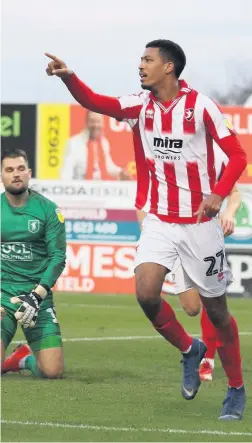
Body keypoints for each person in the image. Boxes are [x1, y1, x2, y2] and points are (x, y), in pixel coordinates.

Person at [45, 39, 247, 419]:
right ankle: (191, 350)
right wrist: (68, 77)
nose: (140, 65)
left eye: (147, 59)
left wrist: (219, 194)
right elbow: (94, 102)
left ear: (168, 67)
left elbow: (238, 155)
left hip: (200, 224)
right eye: (141, 59)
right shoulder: (139, 106)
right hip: (159, 219)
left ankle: (236, 389)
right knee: (146, 292)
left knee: (217, 313)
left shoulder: (201, 107)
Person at [137, 143, 242, 382]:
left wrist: (229, 213)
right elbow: (142, 202)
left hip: (203, 234)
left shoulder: (211, 154)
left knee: (210, 300)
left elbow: (234, 192)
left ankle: (208, 361)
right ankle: (194, 349)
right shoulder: (160, 155)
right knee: (191, 307)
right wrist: (153, 238)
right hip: (171, 234)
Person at [1, 148, 66, 378]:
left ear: (29, 173)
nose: (15, 174)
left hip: (37, 298)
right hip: (3, 297)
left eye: (20, 169)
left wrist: (37, 295)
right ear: (2, 175)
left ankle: (24, 359)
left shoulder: (48, 210)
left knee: (52, 372)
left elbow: (58, 257)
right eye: (9, 170)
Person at [61, 110, 130, 180]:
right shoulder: (74, 143)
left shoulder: (103, 143)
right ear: (86, 122)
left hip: (100, 188)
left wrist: (120, 172)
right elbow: (66, 173)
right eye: (92, 121)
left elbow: (108, 166)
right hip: (81, 188)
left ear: (102, 124)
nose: (95, 125)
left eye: (98, 122)